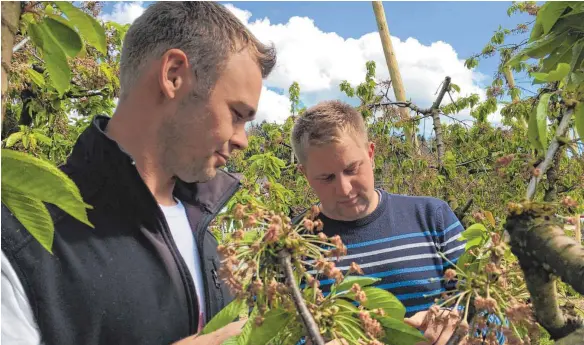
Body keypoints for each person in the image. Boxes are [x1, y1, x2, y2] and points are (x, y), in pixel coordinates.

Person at [1, 2, 276, 345]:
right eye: (237, 114)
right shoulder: (22, 238)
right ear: (174, 75)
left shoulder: (205, 229)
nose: (243, 140)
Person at [290, 100, 467, 345]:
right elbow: (272, 332)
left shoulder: (432, 216)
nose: (344, 189)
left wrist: (455, 325)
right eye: (326, 177)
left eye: (352, 169)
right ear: (305, 174)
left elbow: (490, 311)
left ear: (371, 154)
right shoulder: (289, 244)